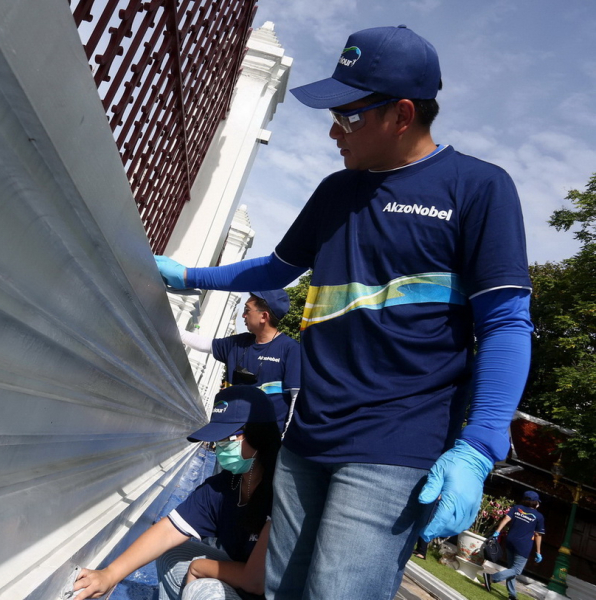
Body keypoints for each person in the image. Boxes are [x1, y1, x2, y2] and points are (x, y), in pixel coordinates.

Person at [154, 24, 533, 600]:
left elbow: (505, 323)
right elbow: (275, 269)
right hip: (309, 434)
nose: (333, 130)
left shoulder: (478, 189)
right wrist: (189, 277)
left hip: (396, 442)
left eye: (348, 116)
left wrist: (479, 446)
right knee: (278, 588)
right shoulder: (336, 192)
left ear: (402, 114)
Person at [73, 386, 281, 600]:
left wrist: (199, 567)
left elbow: (255, 581)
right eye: (217, 441)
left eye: (227, 439)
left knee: (202, 589)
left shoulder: (281, 491)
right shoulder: (226, 486)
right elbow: (168, 531)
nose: (219, 448)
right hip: (245, 579)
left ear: (258, 434)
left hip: (269, 591)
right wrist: (109, 575)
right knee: (171, 554)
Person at [179, 290, 301, 434]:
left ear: (264, 316)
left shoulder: (290, 349)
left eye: (247, 310)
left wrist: (287, 436)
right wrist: (170, 325)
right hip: (228, 432)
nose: (243, 315)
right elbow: (204, 344)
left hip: (264, 438)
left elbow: (296, 397)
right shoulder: (239, 342)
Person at [483, 491, 546, 600]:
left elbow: (506, 519)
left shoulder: (517, 508)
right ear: (536, 502)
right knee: (516, 570)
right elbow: (538, 535)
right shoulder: (539, 516)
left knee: (511, 569)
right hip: (523, 546)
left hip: (510, 541)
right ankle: (491, 578)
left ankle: (512, 595)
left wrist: (497, 532)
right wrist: (538, 552)